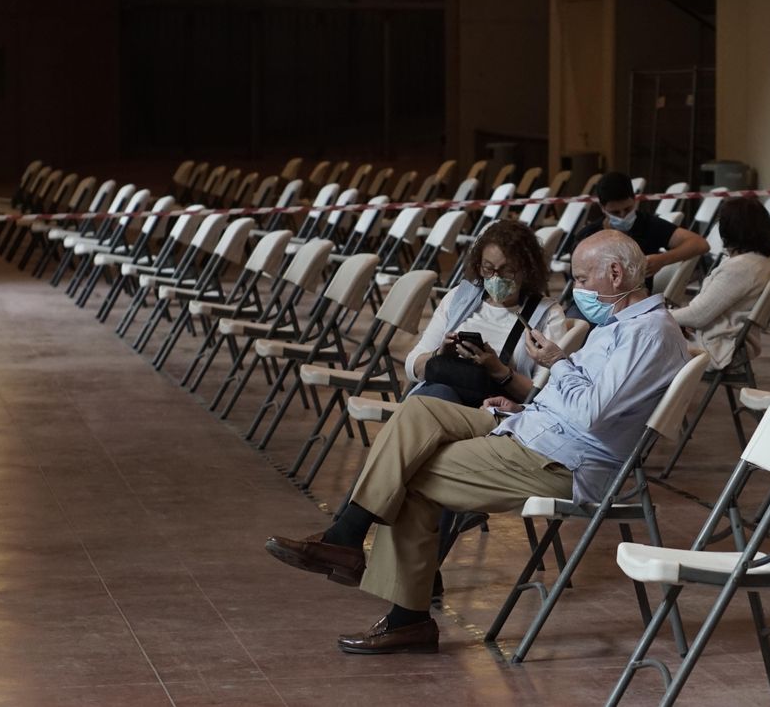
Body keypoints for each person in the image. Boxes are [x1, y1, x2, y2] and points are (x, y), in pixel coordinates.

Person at [263, 231, 688, 655]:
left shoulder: (645, 334)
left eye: (581, 277)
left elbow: (592, 412)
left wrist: (557, 362)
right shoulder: (620, 326)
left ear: (615, 274)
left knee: (411, 469)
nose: (577, 288)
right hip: (536, 430)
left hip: (561, 461)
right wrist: (523, 408)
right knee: (417, 412)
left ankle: (399, 608)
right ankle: (348, 539)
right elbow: (585, 403)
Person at [404, 219, 570, 406]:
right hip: (439, 395)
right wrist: (439, 355)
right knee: (435, 395)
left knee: (429, 401)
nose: (495, 277)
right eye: (488, 269)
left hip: (490, 407)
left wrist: (499, 370)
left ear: (527, 270)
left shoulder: (546, 314)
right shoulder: (459, 298)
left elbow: (548, 395)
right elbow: (412, 366)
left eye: (507, 271)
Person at [670, 197, 770, 369]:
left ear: (728, 231)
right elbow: (701, 314)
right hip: (726, 339)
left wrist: (660, 317)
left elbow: (698, 316)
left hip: (719, 347)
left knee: (644, 340)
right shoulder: (762, 261)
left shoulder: (740, 268)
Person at [576, 171, 708, 277]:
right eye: (615, 212)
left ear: (635, 200)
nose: (623, 216)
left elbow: (700, 243)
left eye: (627, 209)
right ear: (602, 208)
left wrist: (662, 260)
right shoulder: (587, 235)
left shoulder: (649, 225)